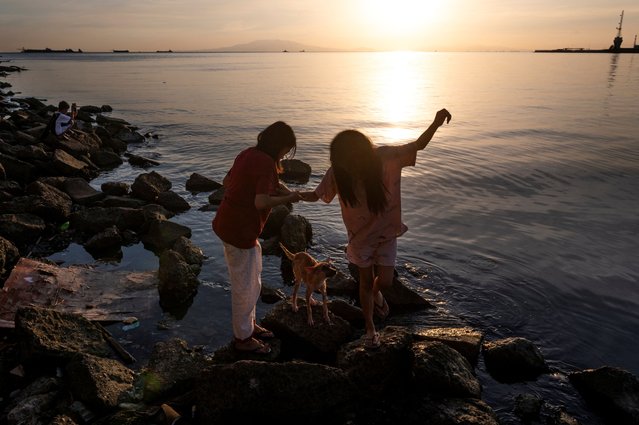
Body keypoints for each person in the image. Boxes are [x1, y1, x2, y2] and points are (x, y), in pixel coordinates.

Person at [301, 108, 452, 348]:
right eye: (339, 158)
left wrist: (435, 123)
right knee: (364, 282)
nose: (343, 163)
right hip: (359, 238)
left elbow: (418, 145)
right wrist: (290, 195)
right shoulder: (337, 173)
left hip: (386, 232)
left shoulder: (384, 157)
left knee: (385, 282)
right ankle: (370, 330)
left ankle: (376, 296)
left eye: (346, 157)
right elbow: (316, 194)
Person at [213, 121, 302, 354]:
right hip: (239, 230)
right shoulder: (265, 163)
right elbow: (260, 202)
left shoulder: (248, 154)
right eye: (286, 148)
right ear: (279, 145)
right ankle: (242, 339)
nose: (285, 153)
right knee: (244, 285)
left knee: (253, 279)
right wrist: (287, 199)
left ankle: (249, 325)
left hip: (229, 223)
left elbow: (227, 182)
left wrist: (279, 188)